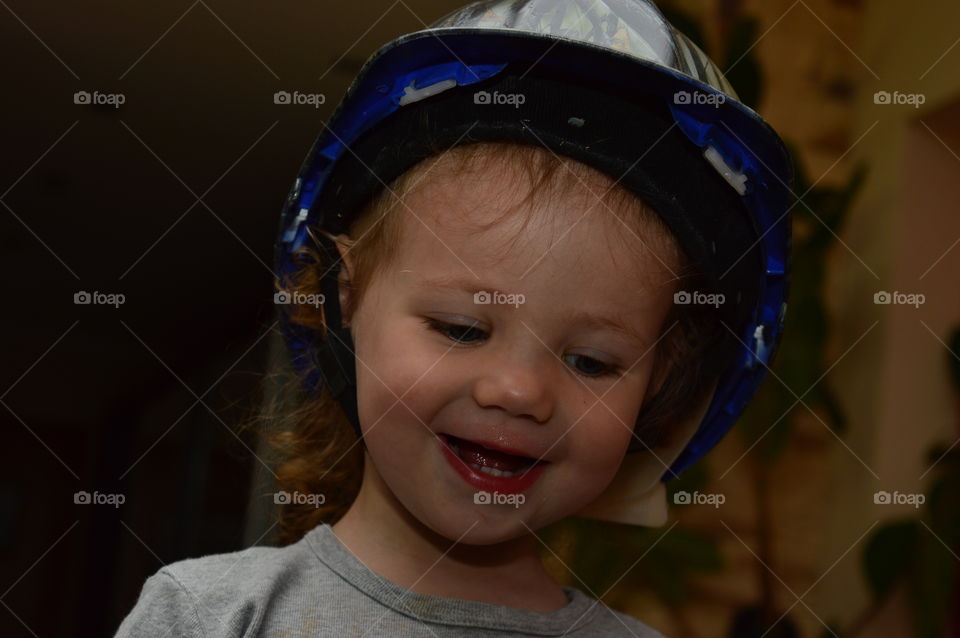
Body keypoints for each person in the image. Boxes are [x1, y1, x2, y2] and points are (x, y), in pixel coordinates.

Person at [115, 0, 792, 636]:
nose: (519, 391)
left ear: (658, 383)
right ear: (343, 295)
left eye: (591, 361)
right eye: (461, 328)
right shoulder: (211, 615)